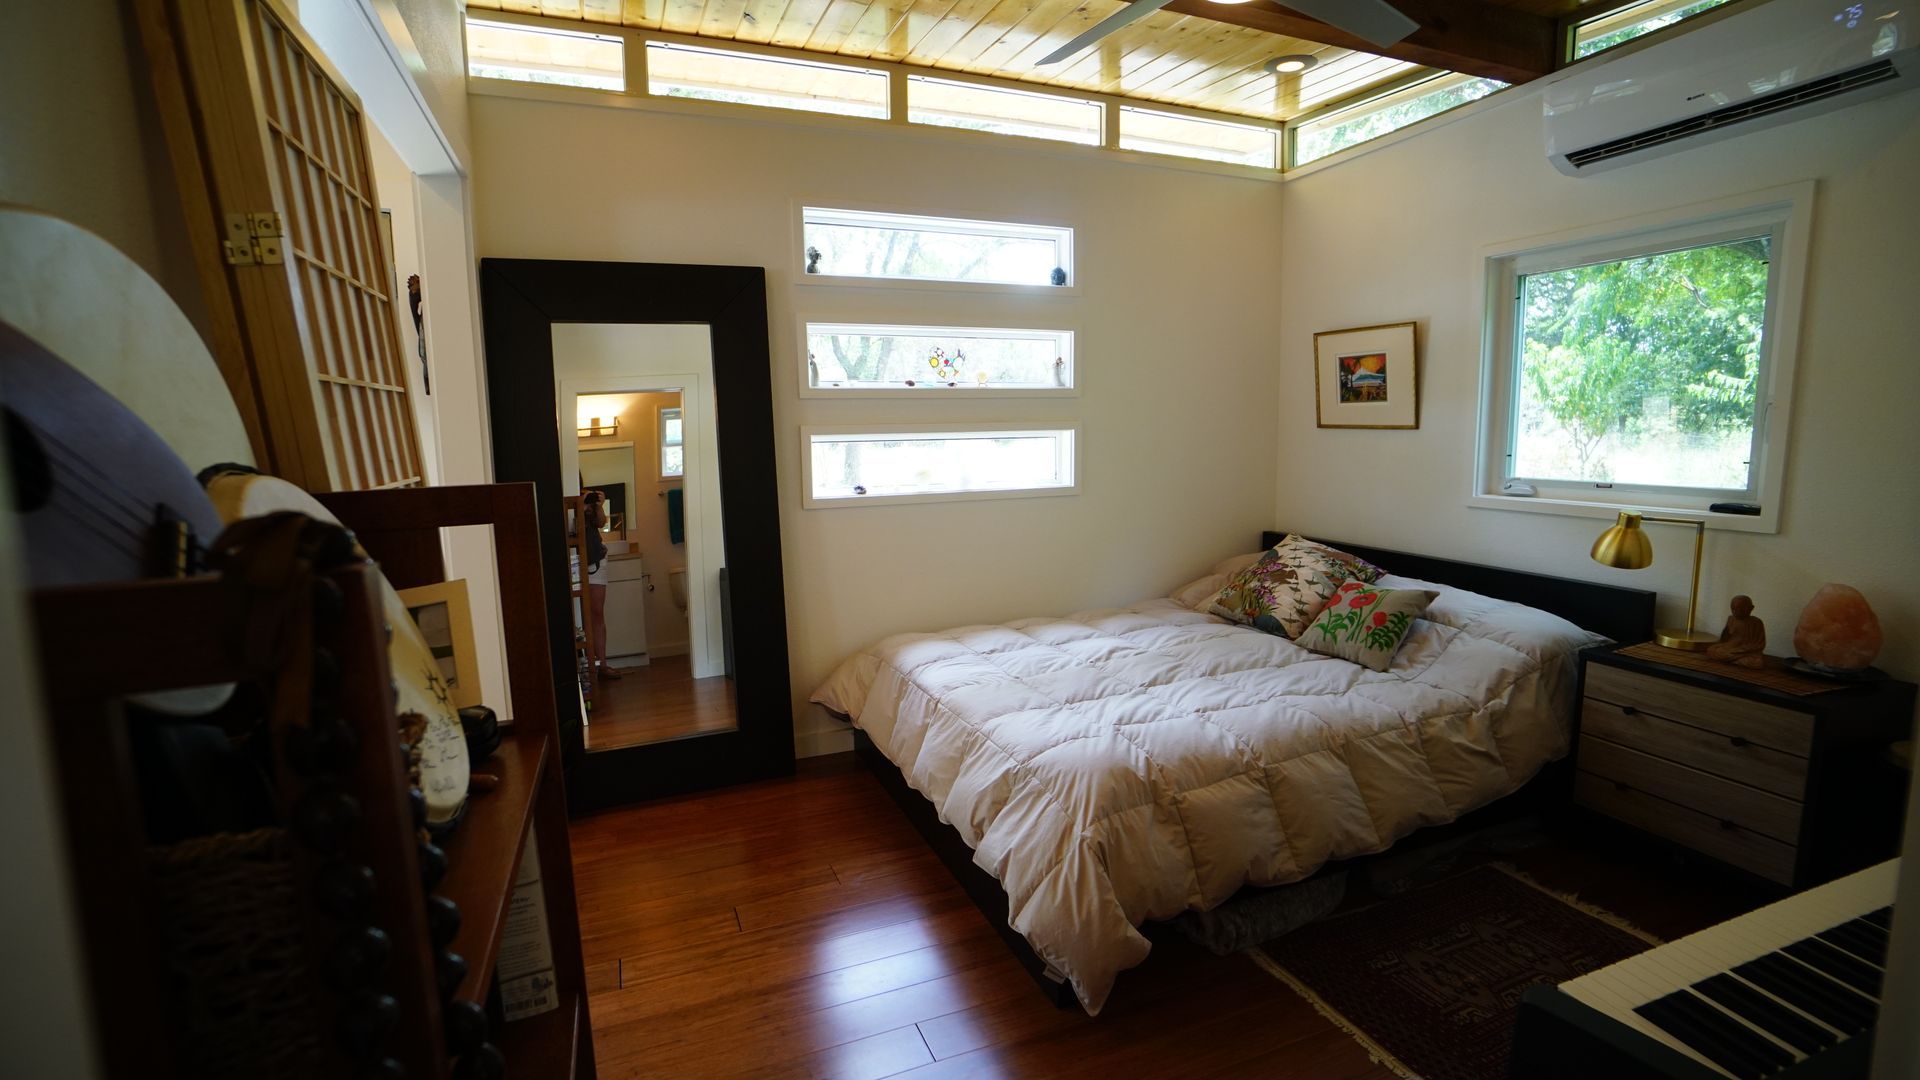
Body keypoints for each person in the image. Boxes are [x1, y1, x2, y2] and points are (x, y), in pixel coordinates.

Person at [582, 489, 620, 681]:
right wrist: (580, 505)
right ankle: (588, 666)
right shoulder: (568, 503)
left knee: (597, 612)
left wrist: (598, 505)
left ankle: (602, 664)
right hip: (577, 562)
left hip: (596, 561)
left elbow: (601, 523)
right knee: (582, 615)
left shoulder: (591, 504)